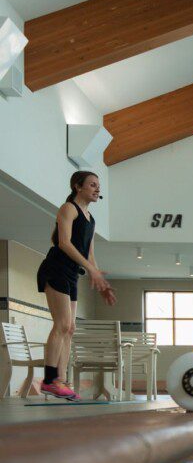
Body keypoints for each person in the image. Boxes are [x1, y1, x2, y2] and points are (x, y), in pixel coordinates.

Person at [36, 171, 116, 400]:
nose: (97, 189)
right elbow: (64, 243)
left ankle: (60, 380)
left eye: (98, 186)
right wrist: (90, 270)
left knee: (70, 328)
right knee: (61, 324)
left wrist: (101, 282)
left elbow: (90, 254)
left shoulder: (91, 219)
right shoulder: (68, 208)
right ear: (77, 186)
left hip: (71, 273)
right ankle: (50, 379)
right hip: (56, 268)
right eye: (92, 184)